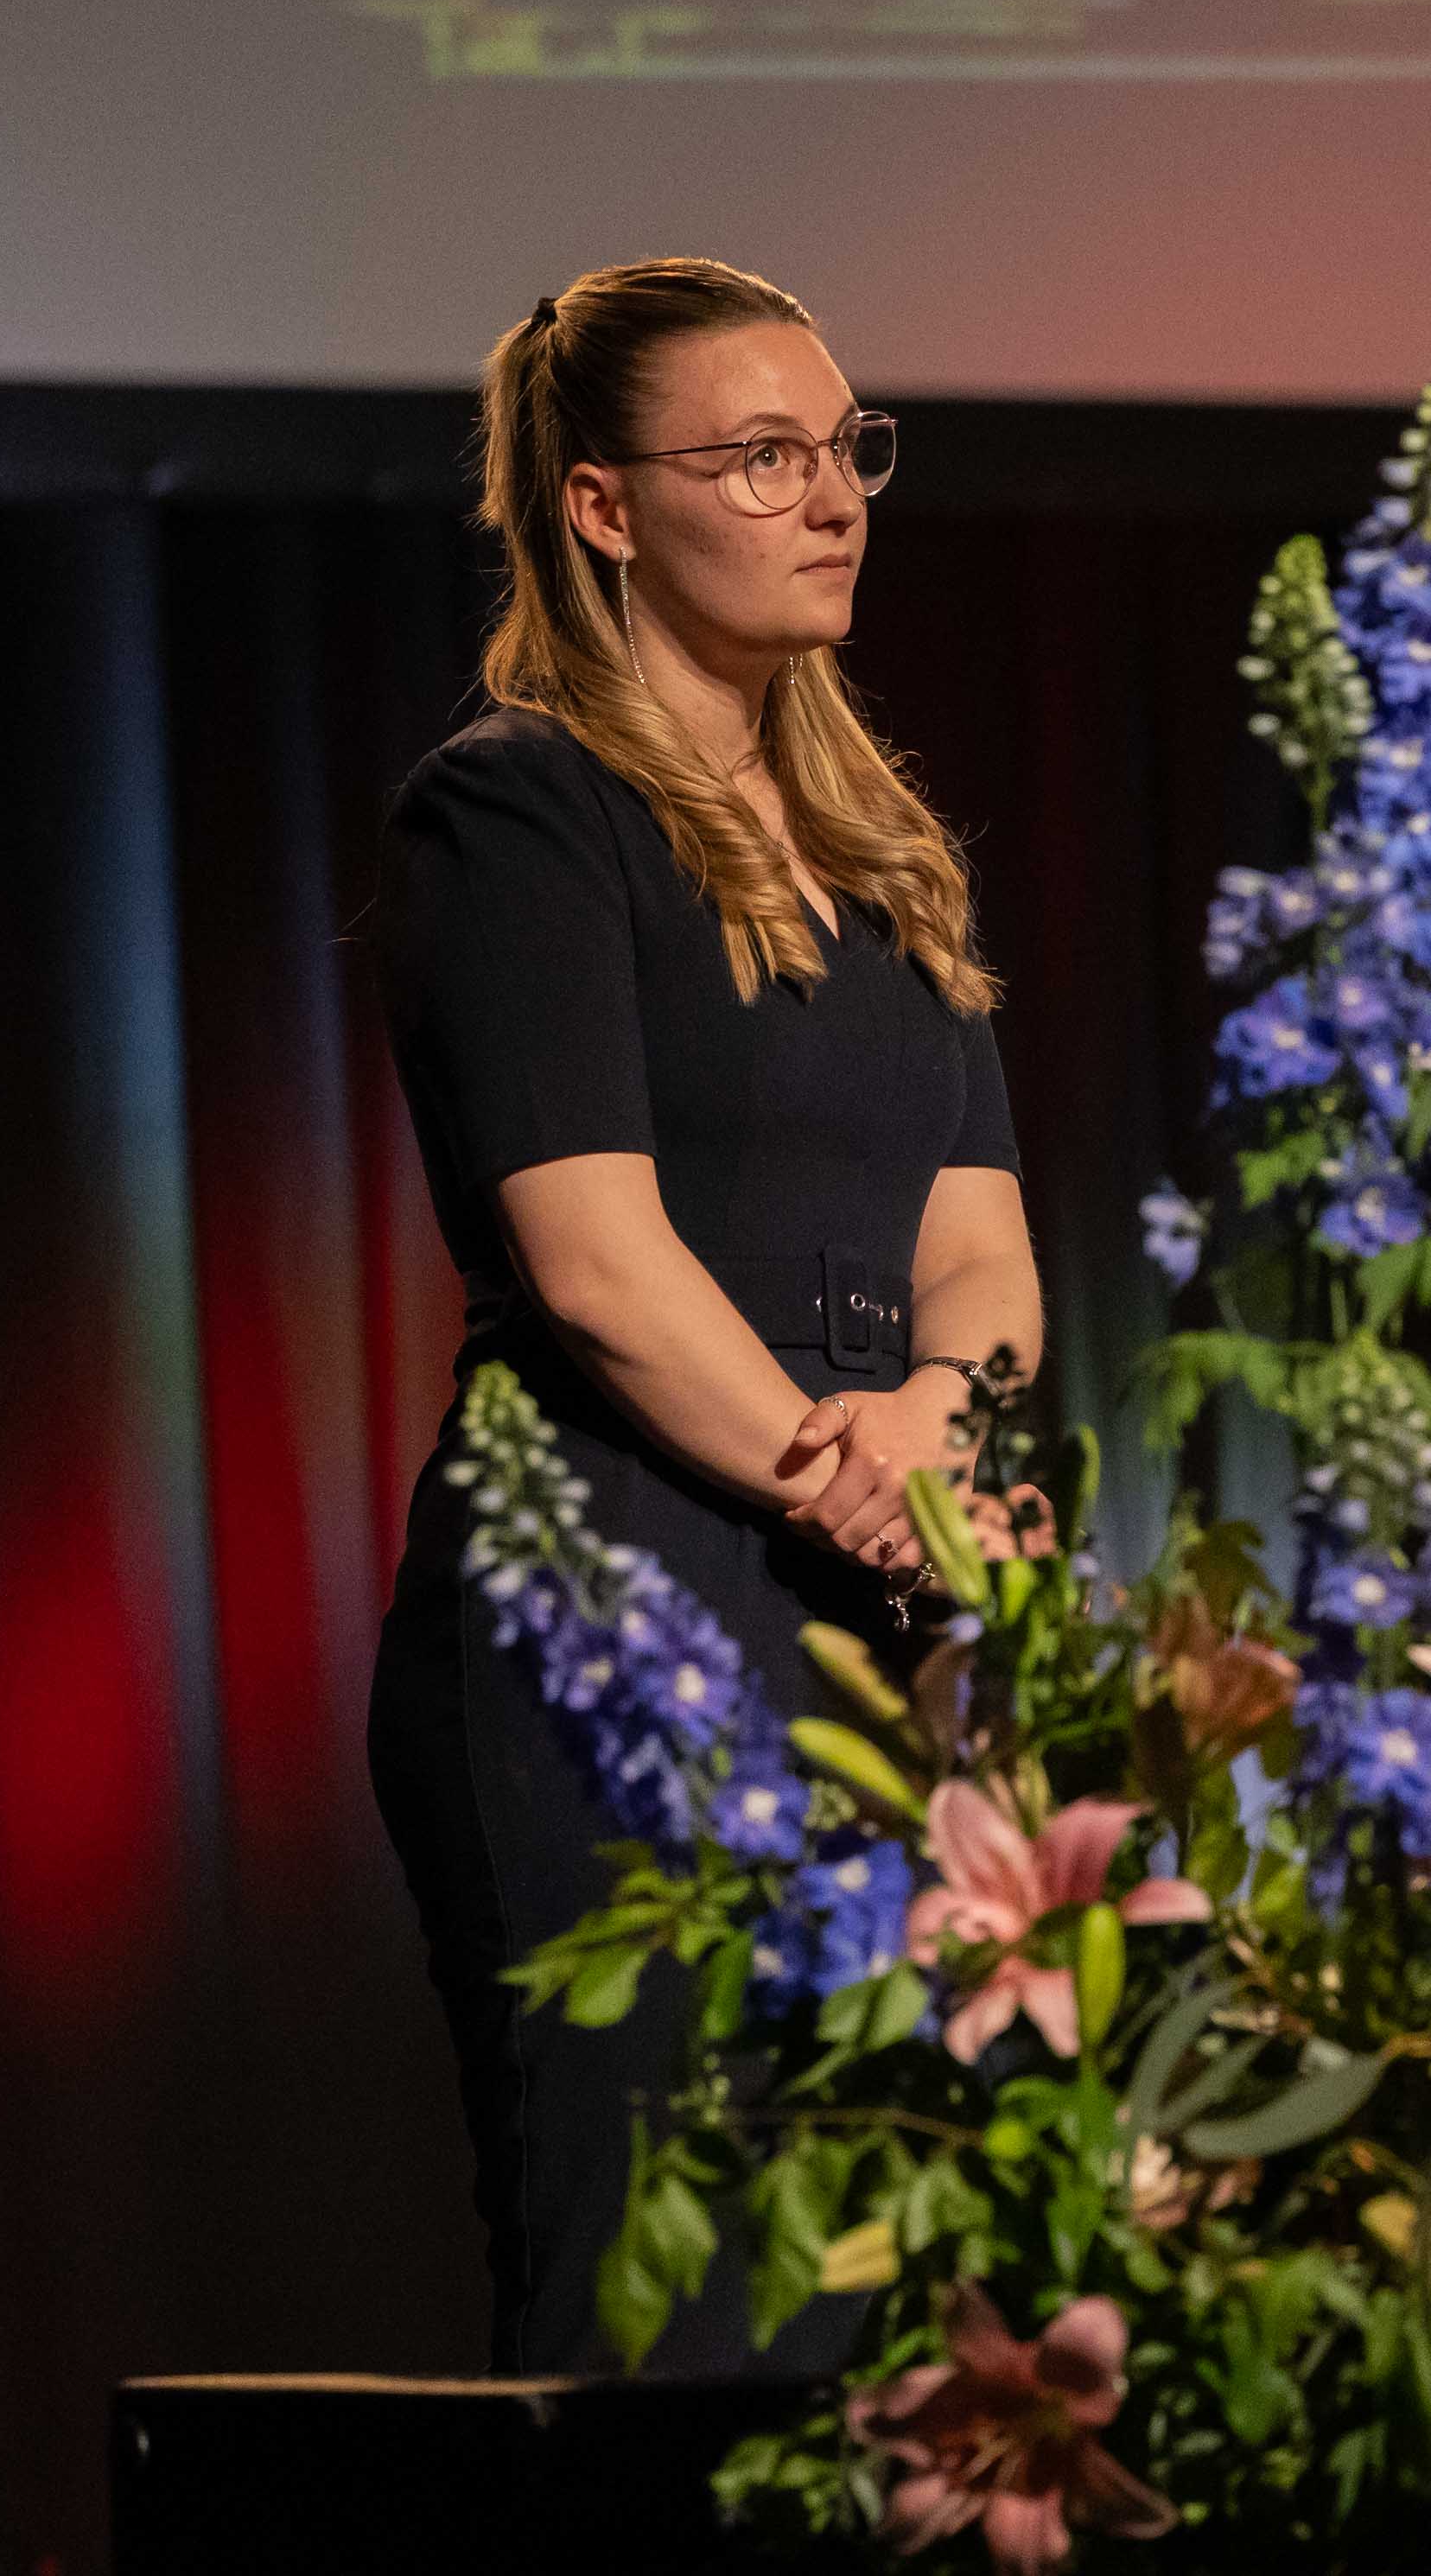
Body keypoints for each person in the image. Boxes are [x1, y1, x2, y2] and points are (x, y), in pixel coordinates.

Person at [366, 257, 1043, 2373]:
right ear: (601, 508)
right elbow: (593, 1259)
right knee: (659, 2290)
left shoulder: (883, 855)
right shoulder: (521, 809)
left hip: (890, 1601)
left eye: (847, 448)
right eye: (762, 456)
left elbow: (989, 1254)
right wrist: (846, 1479)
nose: (831, 495)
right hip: (619, 1591)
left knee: (906, 2296)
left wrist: (945, 1410)